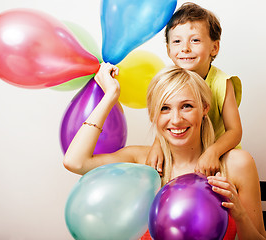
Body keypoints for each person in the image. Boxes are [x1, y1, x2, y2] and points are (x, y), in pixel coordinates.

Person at [63, 63, 266, 239]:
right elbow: (75, 162)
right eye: (164, 108)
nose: (176, 119)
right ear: (153, 115)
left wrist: (240, 214)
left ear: (204, 109)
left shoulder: (237, 164)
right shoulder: (141, 162)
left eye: (186, 106)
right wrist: (111, 96)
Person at [146, 2, 242, 177]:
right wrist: (157, 145)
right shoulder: (169, 82)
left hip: (217, 154)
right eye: (177, 41)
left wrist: (213, 152)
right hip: (184, 154)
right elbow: (165, 118)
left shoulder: (222, 82)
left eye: (195, 40)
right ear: (168, 50)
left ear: (214, 47)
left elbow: (234, 131)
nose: (185, 48)